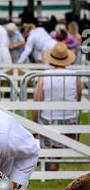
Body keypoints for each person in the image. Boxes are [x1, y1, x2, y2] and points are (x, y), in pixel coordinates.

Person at [34, 42, 82, 171]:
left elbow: (37, 101)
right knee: (57, 151)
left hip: (48, 119)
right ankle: (53, 166)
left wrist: (34, 123)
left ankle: (50, 165)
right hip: (70, 119)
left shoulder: (44, 76)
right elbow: (78, 99)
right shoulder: (75, 75)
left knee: (51, 150)